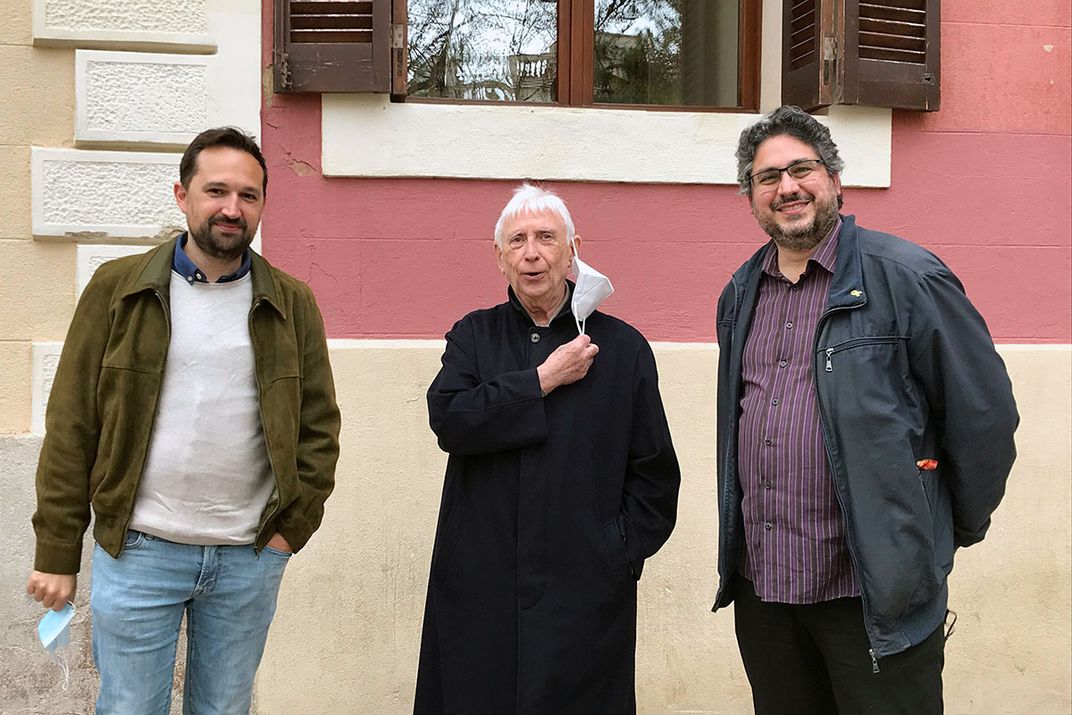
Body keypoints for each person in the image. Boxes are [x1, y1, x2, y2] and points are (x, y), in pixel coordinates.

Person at [712, 106, 1019, 714]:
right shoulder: (740, 293)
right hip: (766, 591)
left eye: (802, 168)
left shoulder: (907, 277)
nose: (787, 187)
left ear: (834, 179)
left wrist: (933, 536)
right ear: (751, 195)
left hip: (872, 594)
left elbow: (983, 419)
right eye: (767, 177)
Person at [25, 127, 341, 713]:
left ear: (263, 205)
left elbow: (319, 430)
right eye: (215, 190)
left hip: (248, 557)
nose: (231, 208)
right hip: (140, 551)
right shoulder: (118, 289)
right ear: (182, 195)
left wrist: (286, 534)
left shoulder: (291, 302)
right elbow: (72, 423)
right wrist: (57, 550)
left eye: (248, 196)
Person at [415, 184, 681, 714]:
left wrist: (618, 552)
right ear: (500, 258)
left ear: (571, 249)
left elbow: (654, 473)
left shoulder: (623, 348)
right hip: (480, 583)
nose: (531, 252)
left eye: (545, 238)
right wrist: (540, 380)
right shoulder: (473, 335)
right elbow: (451, 420)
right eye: (516, 241)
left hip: (585, 588)